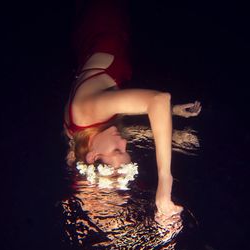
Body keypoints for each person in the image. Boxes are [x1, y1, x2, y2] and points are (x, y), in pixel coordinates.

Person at [64, 0, 201, 217]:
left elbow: (158, 100)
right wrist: (172, 116)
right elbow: (119, 110)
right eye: (125, 150)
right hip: (88, 38)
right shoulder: (79, 137)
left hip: (103, 15)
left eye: (117, 150)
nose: (124, 141)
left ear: (92, 156)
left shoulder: (86, 110)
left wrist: (165, 181)